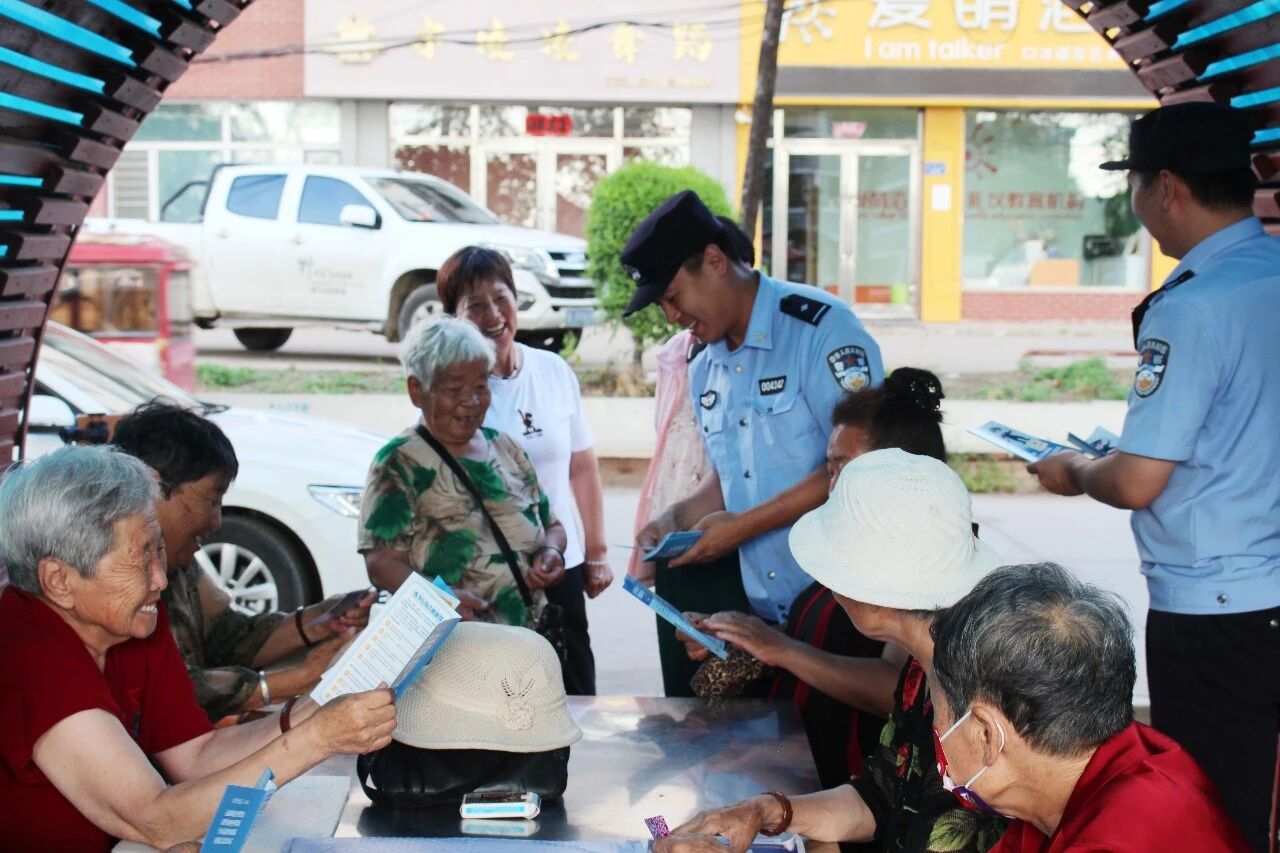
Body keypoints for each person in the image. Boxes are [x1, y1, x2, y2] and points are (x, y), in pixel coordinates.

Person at [1027, 101, 1280, 851]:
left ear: (1165, 186)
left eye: (1133, 182)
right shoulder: (1268, 275)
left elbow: (1137, 480)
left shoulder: (1193, 306)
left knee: (1213, 815)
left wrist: (1076, 469)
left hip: (1216, 610)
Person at [0, 446, 395, 851]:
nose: (160, 579)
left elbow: (197, 756)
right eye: (140, 559)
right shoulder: (30, 659)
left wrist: (319, 703)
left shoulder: (128, 621)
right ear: (59, 581)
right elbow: (155, 820)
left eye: (158, 549)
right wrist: (320, 737)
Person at [656, 448, 1006, 853]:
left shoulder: (983, 707)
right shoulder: (923, 671)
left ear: (869, 596)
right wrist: (766, 810)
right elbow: (879, 796)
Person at [626, 191, 884, 695]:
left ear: (715, 261)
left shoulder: (819, 329)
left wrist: (742, 528)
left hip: (844, 607)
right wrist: (677, 517)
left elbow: (863, 464)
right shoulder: (704, 364)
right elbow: (731, 473)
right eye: (661, 306)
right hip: (762, 612)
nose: (672, 317)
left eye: (673, 297)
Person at [679, 368, 948, 788]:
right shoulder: (853, 546)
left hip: (862, 792)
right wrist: (739, 636)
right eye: (829, 469)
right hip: (803, 766)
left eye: (844, 468)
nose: (832, 486)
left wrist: (781, 649)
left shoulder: (934, 563)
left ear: (900, 469)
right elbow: (822, 642)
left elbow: (893, 690)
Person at [930, 562, 1250, 852]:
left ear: (987, 735)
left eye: (937, 711)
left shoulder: (1110, 839)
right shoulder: (1127, 757)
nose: (937, 730)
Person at [111, 402, 373, 721]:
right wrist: (292, 680)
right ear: (153, 488)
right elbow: (163, 690)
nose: (216, 521)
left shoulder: (177, 566)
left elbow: (228, 638)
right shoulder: (112, 580)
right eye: (212, 501)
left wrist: (318, 621)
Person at [434, 246, 609, 695]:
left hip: (561, 565)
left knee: (574, 690)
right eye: (475, 305)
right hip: (492, 581)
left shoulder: (553, 370)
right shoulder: (451, 395)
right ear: (453, 318)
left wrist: (596, 553)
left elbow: (582, 467)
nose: (493, 315)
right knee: (509, 699)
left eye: (501, 298)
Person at [360, 315, 568, 631]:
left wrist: (552, 552)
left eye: (481, 386)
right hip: (458, 642)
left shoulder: (505, 447)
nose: (471, 401)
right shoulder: (398, 462)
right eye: (454, 388)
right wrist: (439, 599)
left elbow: (552, 525)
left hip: (529, 636)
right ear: (417, 390)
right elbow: (381, 563)